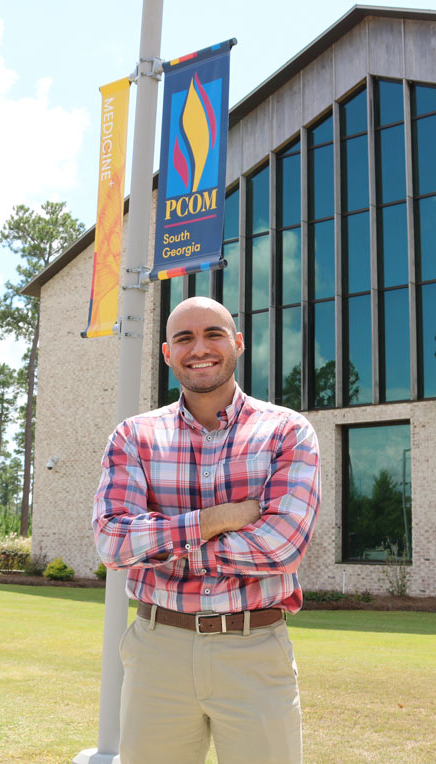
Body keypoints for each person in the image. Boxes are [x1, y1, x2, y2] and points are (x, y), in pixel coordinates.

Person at [93, 296, 321, 764]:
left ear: (237, 342)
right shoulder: (134, 436)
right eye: (184, 338)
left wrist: (164, 543)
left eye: (213, 334)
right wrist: (216, 520)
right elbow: (113, 542)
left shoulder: (287, 432)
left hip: (254, 649)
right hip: (158, 650)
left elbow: (281, 548)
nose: (200, 347)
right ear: (167, 353)